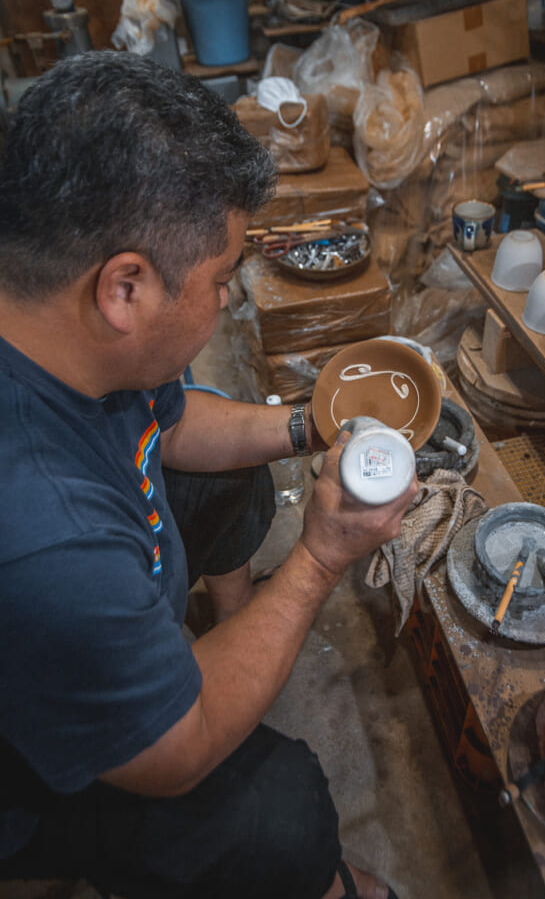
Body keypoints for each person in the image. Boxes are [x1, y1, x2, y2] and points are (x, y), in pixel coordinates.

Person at [0, 51, 418, 899]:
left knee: (239, 473)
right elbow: (177, 752)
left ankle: (224, 646)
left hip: (74, 604)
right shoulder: (50, 535)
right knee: (281, 813)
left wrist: (310, 424)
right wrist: (317, 562)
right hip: (30, 770)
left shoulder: (53, 318)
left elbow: (170, 416)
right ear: (126, 288)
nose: (229, 301)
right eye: (224, 280)